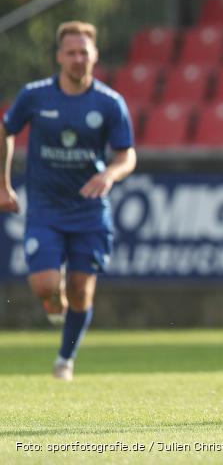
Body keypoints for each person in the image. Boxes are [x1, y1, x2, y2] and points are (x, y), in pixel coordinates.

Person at [0, 21, 136, 381]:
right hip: (45, 208)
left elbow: (127, 155)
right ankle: (53, 296)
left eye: (84, 53)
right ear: (59, 56)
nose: (78, 59)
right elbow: (6, 130)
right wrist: (3, 183)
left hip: (89, 210)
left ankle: (65, 359)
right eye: (71, 53)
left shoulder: (109, 103)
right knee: (45, 286)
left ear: (95, 56)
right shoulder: (35, 95)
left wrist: (109, 174)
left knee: (80, 291)